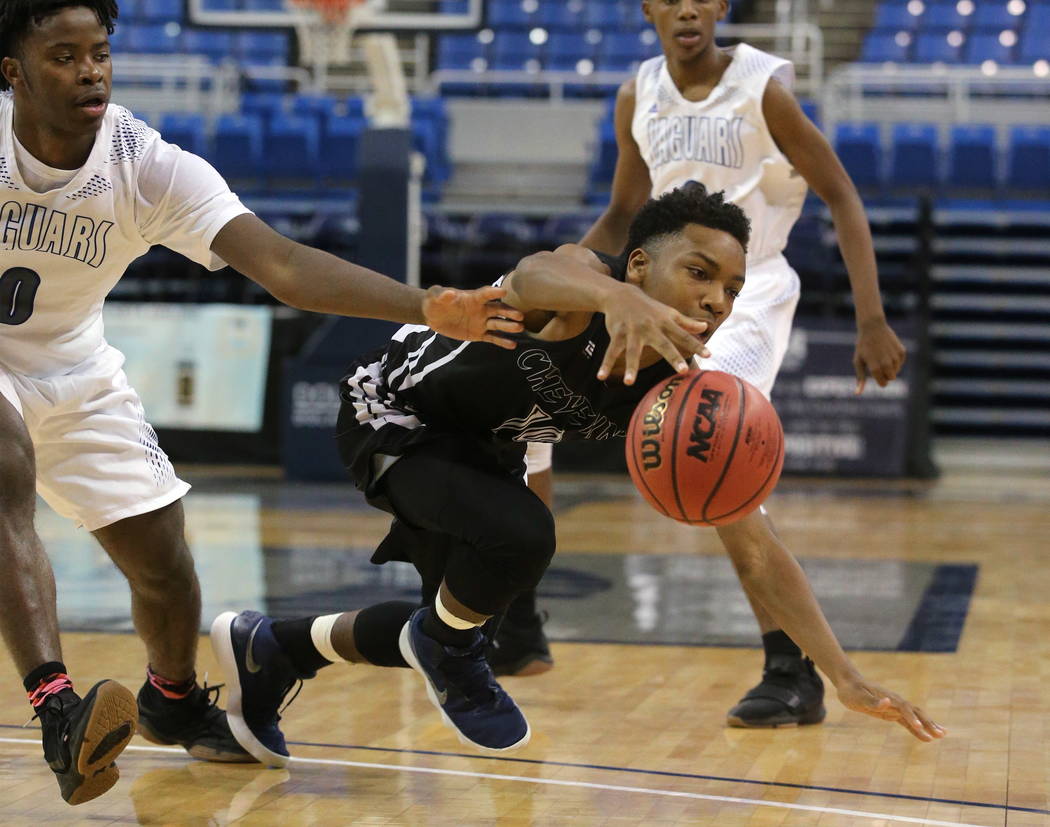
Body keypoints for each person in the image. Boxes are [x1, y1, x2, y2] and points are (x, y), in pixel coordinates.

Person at [211, 183, 943, 770]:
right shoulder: (579, 291)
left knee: (451, 628)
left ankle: (272, 647)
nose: (718, 299)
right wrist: (613, 298)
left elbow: (755, 547)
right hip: (395, 409)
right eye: (698, 272)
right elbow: (537, 271)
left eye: (730, 286)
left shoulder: (685, 390)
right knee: (522, 540)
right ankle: (435, 646)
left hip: (481, 446)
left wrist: (842, 672)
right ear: (638, 266)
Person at [0, 0, 521, 805]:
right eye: (64, 56)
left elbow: (279, 262)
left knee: (165, 564)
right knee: (5, 465)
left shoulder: (145, 164)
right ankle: (57, 708)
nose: (91, 70)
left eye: (99, 51)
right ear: (15, 72)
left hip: (75, 365)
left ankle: (171, 702)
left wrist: (429, 305)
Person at [498, 0, 909, 732]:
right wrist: (568, 273)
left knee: (713, 440)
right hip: (656, 283)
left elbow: (842, 194)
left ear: (720, 7)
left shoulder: (762, 88)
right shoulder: (638, 92)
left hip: (745, 296)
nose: (687, 6)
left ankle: (793, 669)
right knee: (527, 387)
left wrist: (870, 316)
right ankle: (519, 620)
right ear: (650, 8)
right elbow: (626, 211)